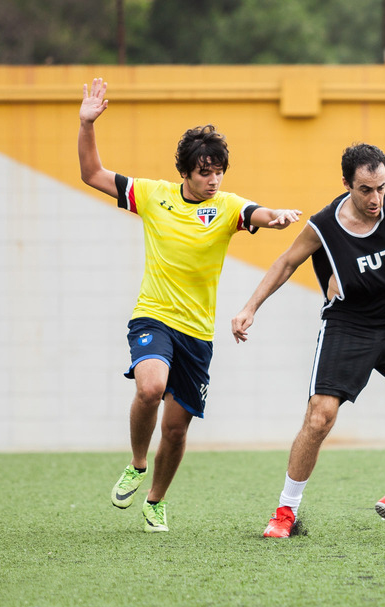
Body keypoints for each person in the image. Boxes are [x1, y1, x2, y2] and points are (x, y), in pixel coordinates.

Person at [78, 78, 301, 533]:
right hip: (154, 315)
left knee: (177, 429)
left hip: (197, 333)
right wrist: (86, 124)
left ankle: (156, 501)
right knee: (149, 388)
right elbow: (92, 174)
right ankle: (137, 464)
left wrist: (276, 217)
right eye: (204, 171)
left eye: (219, 170)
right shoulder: (153, 195)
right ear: (186, 171)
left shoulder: (226, 206)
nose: (213, 178)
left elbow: (254, 213)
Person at [231, 142, 385, 538]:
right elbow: (286, 262)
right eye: (366, 190)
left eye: (381, 188)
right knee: (320, 416)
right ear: (346, 184)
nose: (376, 199)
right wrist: (250, 307)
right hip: (348, 325)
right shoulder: (324, 225)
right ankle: (285, 512)